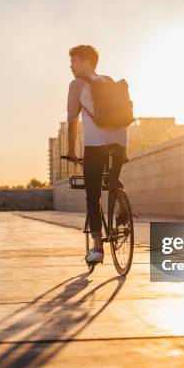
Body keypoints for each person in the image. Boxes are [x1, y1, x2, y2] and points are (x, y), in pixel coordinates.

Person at [66, 45, 128, 265]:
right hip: (120, 142)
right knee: (112, 182)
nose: (71, 66)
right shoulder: (108, 80)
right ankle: (120, 207)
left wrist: (72, 151)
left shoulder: (76, 85)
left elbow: (72, 122)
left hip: (95, 146)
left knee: (92, 196)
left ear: (87, 63)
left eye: (74, 61)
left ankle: (98, 247)